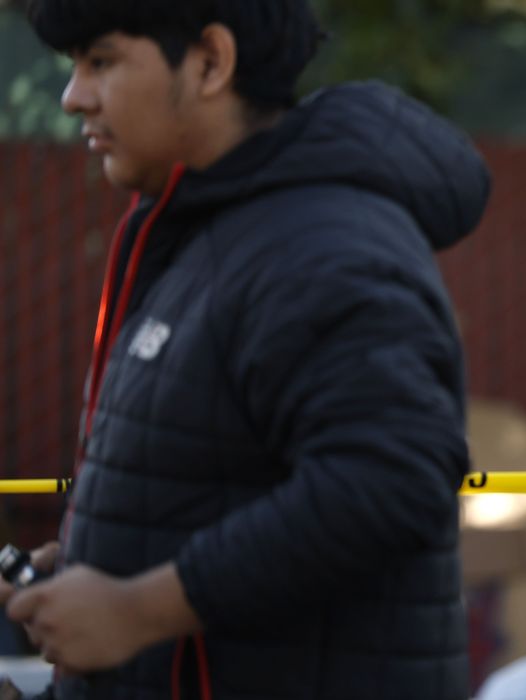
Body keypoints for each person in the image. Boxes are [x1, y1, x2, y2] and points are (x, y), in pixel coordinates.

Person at [3, 1, 490, 698]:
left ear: (210, 62)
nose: (73, 97)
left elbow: (389, 483)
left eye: (101, 61)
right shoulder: (210, 232)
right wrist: (103, 563)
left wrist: (137, 608)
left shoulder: (322, 241)